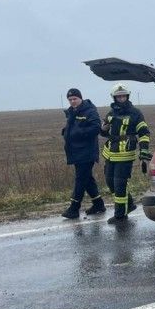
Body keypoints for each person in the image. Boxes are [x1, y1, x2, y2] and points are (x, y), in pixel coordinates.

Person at [101, 83, 152, 223]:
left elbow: (144, 133)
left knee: (119, 185)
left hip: (125, 155)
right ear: (114, 98)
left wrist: (144, 152)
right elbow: (104, 132)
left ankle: (120, 215)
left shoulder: (135, 113)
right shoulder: (111, 113)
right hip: (111, 153)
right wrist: (103, 129)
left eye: (123, 95)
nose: (121, 98)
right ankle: (129, 204)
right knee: (110, 182)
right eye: (118, 96)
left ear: (127, 96)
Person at [61, 88, 105, 219]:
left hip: (87, 151)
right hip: (75, 150)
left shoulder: (90, 111)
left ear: (80, 98)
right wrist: (66, 131)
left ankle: (74, 208)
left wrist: (76, 133)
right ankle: (98, 204)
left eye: (74, 99)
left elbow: (96, 128)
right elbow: (74, 126)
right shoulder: (71, 112)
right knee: (87, 179)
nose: (72, 102)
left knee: (80, 179)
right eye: (70, 100)